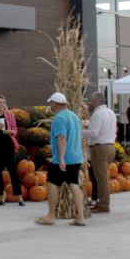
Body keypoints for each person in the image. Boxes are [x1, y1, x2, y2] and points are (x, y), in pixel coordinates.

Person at [35, 92, 86, 226]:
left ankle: (51, 215)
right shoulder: (74, 116)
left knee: (52, 184)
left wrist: (61, 159)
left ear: (54, 103)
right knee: (74, 184)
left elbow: (62, 137)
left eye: (51, 103)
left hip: (62, 158)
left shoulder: (59, 118)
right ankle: (81, 217)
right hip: (76, 156)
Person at [86, 92, 118, 213]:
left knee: (101, 178)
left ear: (95, 101)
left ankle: (104, 205)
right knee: (102, 177)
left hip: (100, 148)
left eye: (92, 100)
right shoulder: (110, 112)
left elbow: (93, 133)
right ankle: (101, 202)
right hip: (110, 146)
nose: (90, 102)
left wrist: (81, 131)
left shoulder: (97, 114)